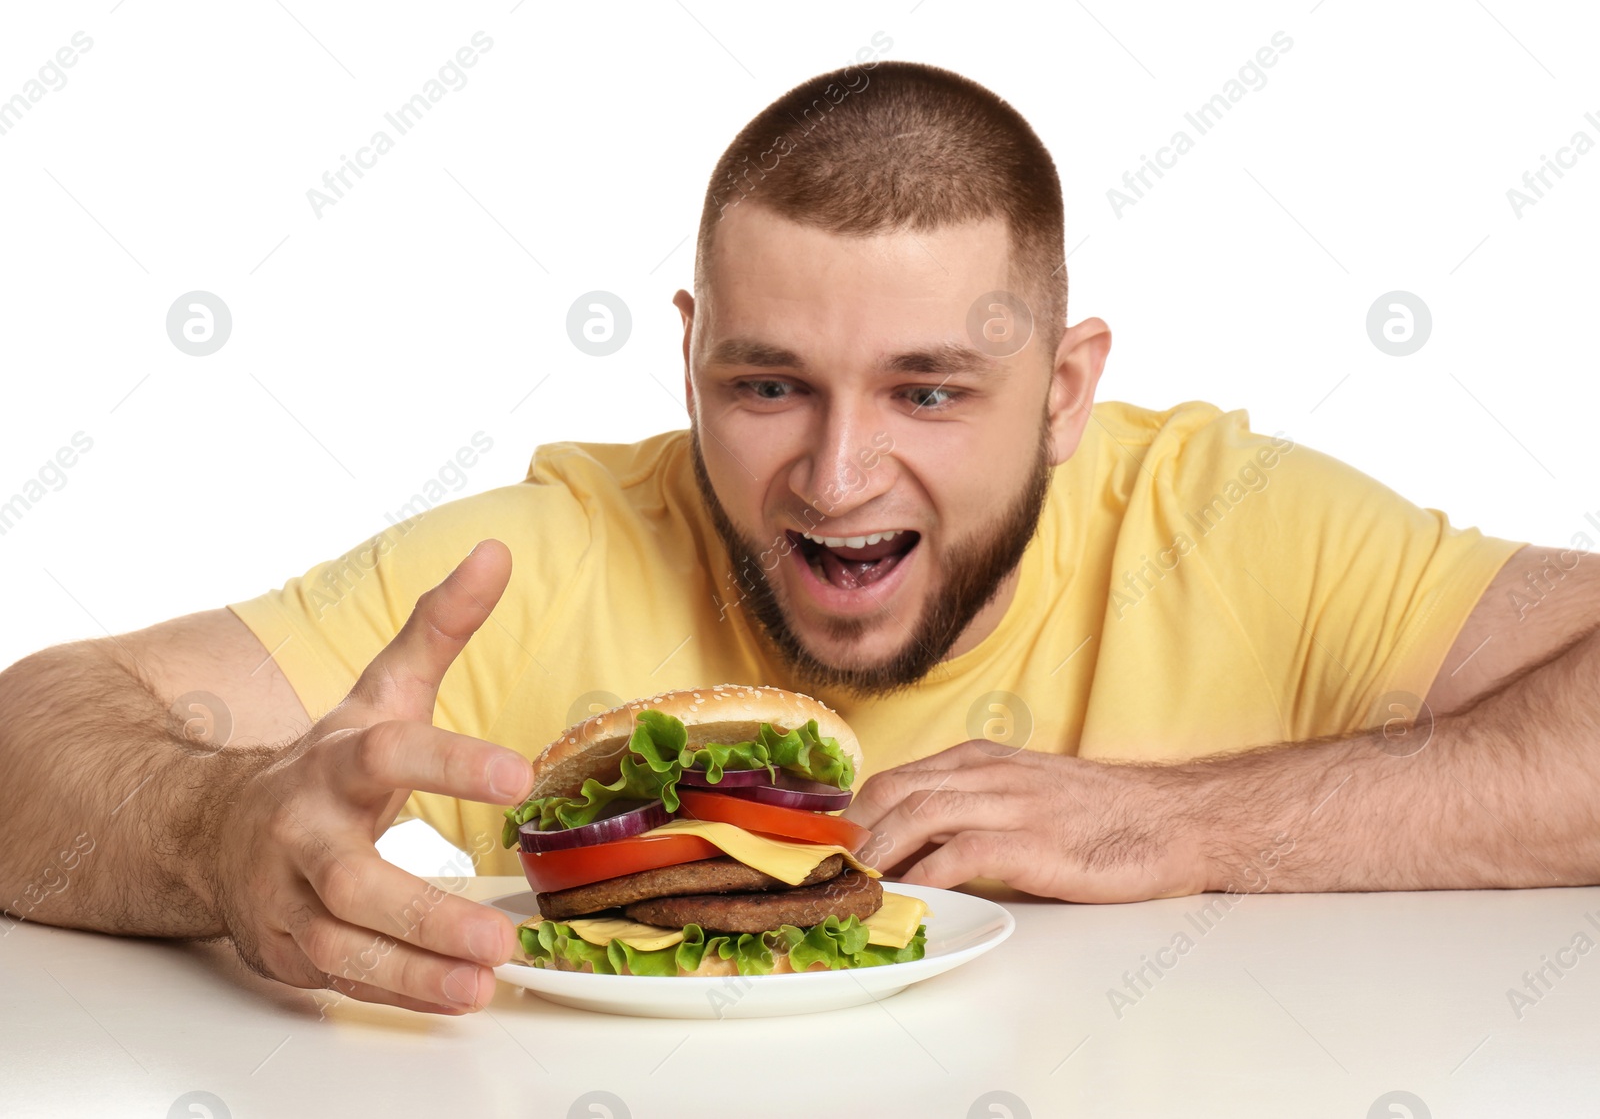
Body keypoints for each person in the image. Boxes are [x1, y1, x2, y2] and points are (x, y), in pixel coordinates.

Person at [3, 60, 1596, 1018]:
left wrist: (1195, 825)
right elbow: (35, 730)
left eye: (929, 388)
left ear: (1064, 388)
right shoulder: (554, 554)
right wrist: (209, 828)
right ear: (691, 354)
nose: (839, 476)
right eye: (768, 383)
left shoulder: (1228, 524)